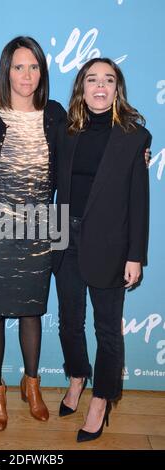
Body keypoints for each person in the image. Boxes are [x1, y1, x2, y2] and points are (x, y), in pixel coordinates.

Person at [0, 36, 66, 431]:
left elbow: (88, 151)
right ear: (5, 70)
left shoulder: (57, 114)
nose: (26, 75)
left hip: (43, 224)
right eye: (18, 66)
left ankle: (32, 384)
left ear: (42, 72)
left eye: (34, 67)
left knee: (32, 309)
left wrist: (137, 152)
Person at [53, 58, 151, 442]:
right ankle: (77, 375)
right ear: (81, 86)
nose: (100, 86)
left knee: (107, 330)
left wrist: (135, 255)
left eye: (108, 80)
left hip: (111, 246)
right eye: (91, 79)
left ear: (116, 89)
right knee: (68, 322)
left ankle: (101, 399)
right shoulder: (66, 130)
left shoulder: (133, 137)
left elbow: (139, 202)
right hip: (66, 239)